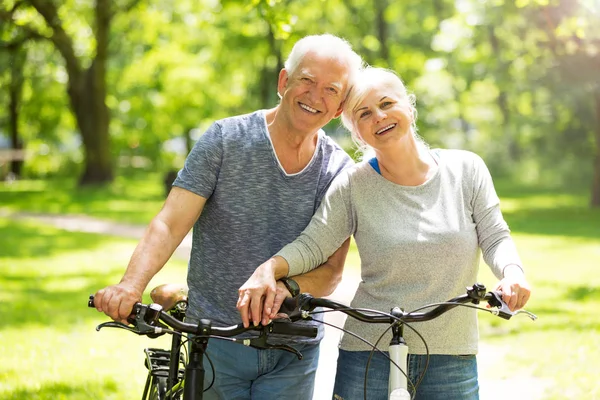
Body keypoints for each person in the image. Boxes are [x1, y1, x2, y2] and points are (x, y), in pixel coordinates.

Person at [93, 33, 363, 400]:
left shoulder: (339, 171)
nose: (315, 97)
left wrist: (283, 291)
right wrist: (130, 284)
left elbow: (332, 272)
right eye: (306, 80)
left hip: (294, 349)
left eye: (331, 90)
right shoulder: (225, 139)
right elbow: (170, 222)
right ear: (284, 82)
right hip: (216, 340)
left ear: (339, 108)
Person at [237, 67, 532, 399]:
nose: (378, 117)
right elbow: (313, 244)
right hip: (368, 353)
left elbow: (495, 236)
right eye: (364, 113)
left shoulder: (466, 169)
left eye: (387, 104)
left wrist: (512, 273)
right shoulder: (352, 185)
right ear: (358, 132)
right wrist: (270, 269)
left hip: (452, 356)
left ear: (409, 107)